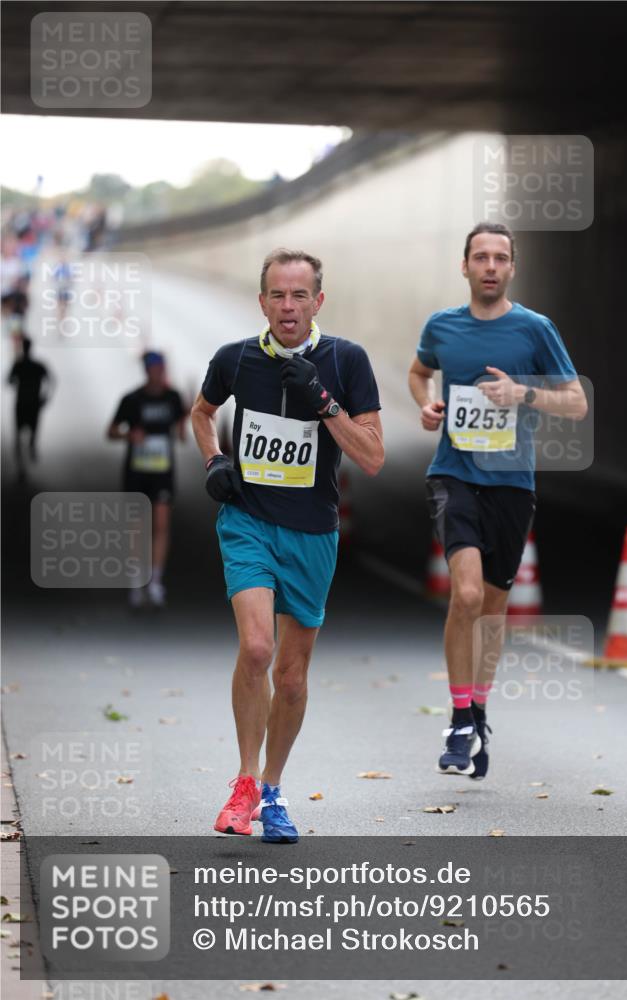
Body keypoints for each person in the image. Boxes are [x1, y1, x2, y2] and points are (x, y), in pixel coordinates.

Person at [191, 248, 384, 843]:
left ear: (318, 302)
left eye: (300, 295)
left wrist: (324, 403)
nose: (288, 306)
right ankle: (244, 784)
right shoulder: (236, 358)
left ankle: (272, 790)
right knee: (256, 648)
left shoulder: (346, 361)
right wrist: (215, 460)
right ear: (263, 302)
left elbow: (373, 456)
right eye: (278, 294)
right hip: (247, 520)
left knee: (293, 676)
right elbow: (200, 414)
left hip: (312, 533)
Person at [408, 222, 587, 779]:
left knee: (492, 608)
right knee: (463, 595)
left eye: (500, 258)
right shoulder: (442, 326)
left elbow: (576, 402)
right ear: (464, 266)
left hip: (512, 484)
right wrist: (428, 403)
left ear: (512, 267)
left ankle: (478, 706)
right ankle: (460, 719)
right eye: (480, 257)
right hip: (454, 474)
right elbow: (419, 374)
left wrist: (522, 393)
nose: (490, 266)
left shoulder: (535, 329)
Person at [107, 351, 187, 608]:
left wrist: (183, 428)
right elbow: (110, 431)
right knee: (137, 528)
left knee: (161, 525)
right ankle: (135, 579)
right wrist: (129, 436)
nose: (158, 373)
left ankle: (155, 581)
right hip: (136, 472)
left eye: (162, 368)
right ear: (147, 370)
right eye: (154, 368)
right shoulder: (132, 400)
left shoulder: (173, 398)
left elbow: (182, 421)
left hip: (162, 471)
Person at [8, 335, 53, 476]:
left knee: (18, 434)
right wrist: (46, 397)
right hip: (34, 403)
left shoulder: (18, 364)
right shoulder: (38, 365)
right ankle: (31, 449)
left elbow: (9, 381)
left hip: (21, 403)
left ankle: (21, 465)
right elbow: (51, 381)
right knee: (33, 430)